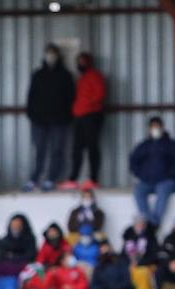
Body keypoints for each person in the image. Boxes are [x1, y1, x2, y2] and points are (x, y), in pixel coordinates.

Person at [24, 43, 75, 192]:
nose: (51, 56)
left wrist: (66, 116)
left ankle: (51, 178)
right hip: (39, 121)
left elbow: (71, 97)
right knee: (40, 150)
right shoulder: (38, 74)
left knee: (57, 150)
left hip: (59, 121)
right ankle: (35, 179)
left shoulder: (65, 75)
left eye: (53, 53)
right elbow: (31, 97)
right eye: (49, 53)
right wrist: (32, 115)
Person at [129, 116, 175, 229]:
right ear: (149, 128)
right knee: (138, 191)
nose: (155, 129)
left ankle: (155, 223)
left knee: (163, 191)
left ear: (162, 127)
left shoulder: (172, 145)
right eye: (153, 127)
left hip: (166, 181)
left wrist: (171, 175)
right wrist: (141, 174)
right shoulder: (144, 145)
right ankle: (149, 220)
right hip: (147, 181)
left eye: (157, 126)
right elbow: (133, 161)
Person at [63, 52, 107, 187]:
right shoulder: (81, 78)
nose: (80, 64)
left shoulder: (95, 76)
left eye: (83, 61)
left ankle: (93, 179)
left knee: (92, 148)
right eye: (79, 62)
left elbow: (100, 94)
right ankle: (73, 179)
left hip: (91, 115)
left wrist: (87, 106)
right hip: (79, 116)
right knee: (77, 148)